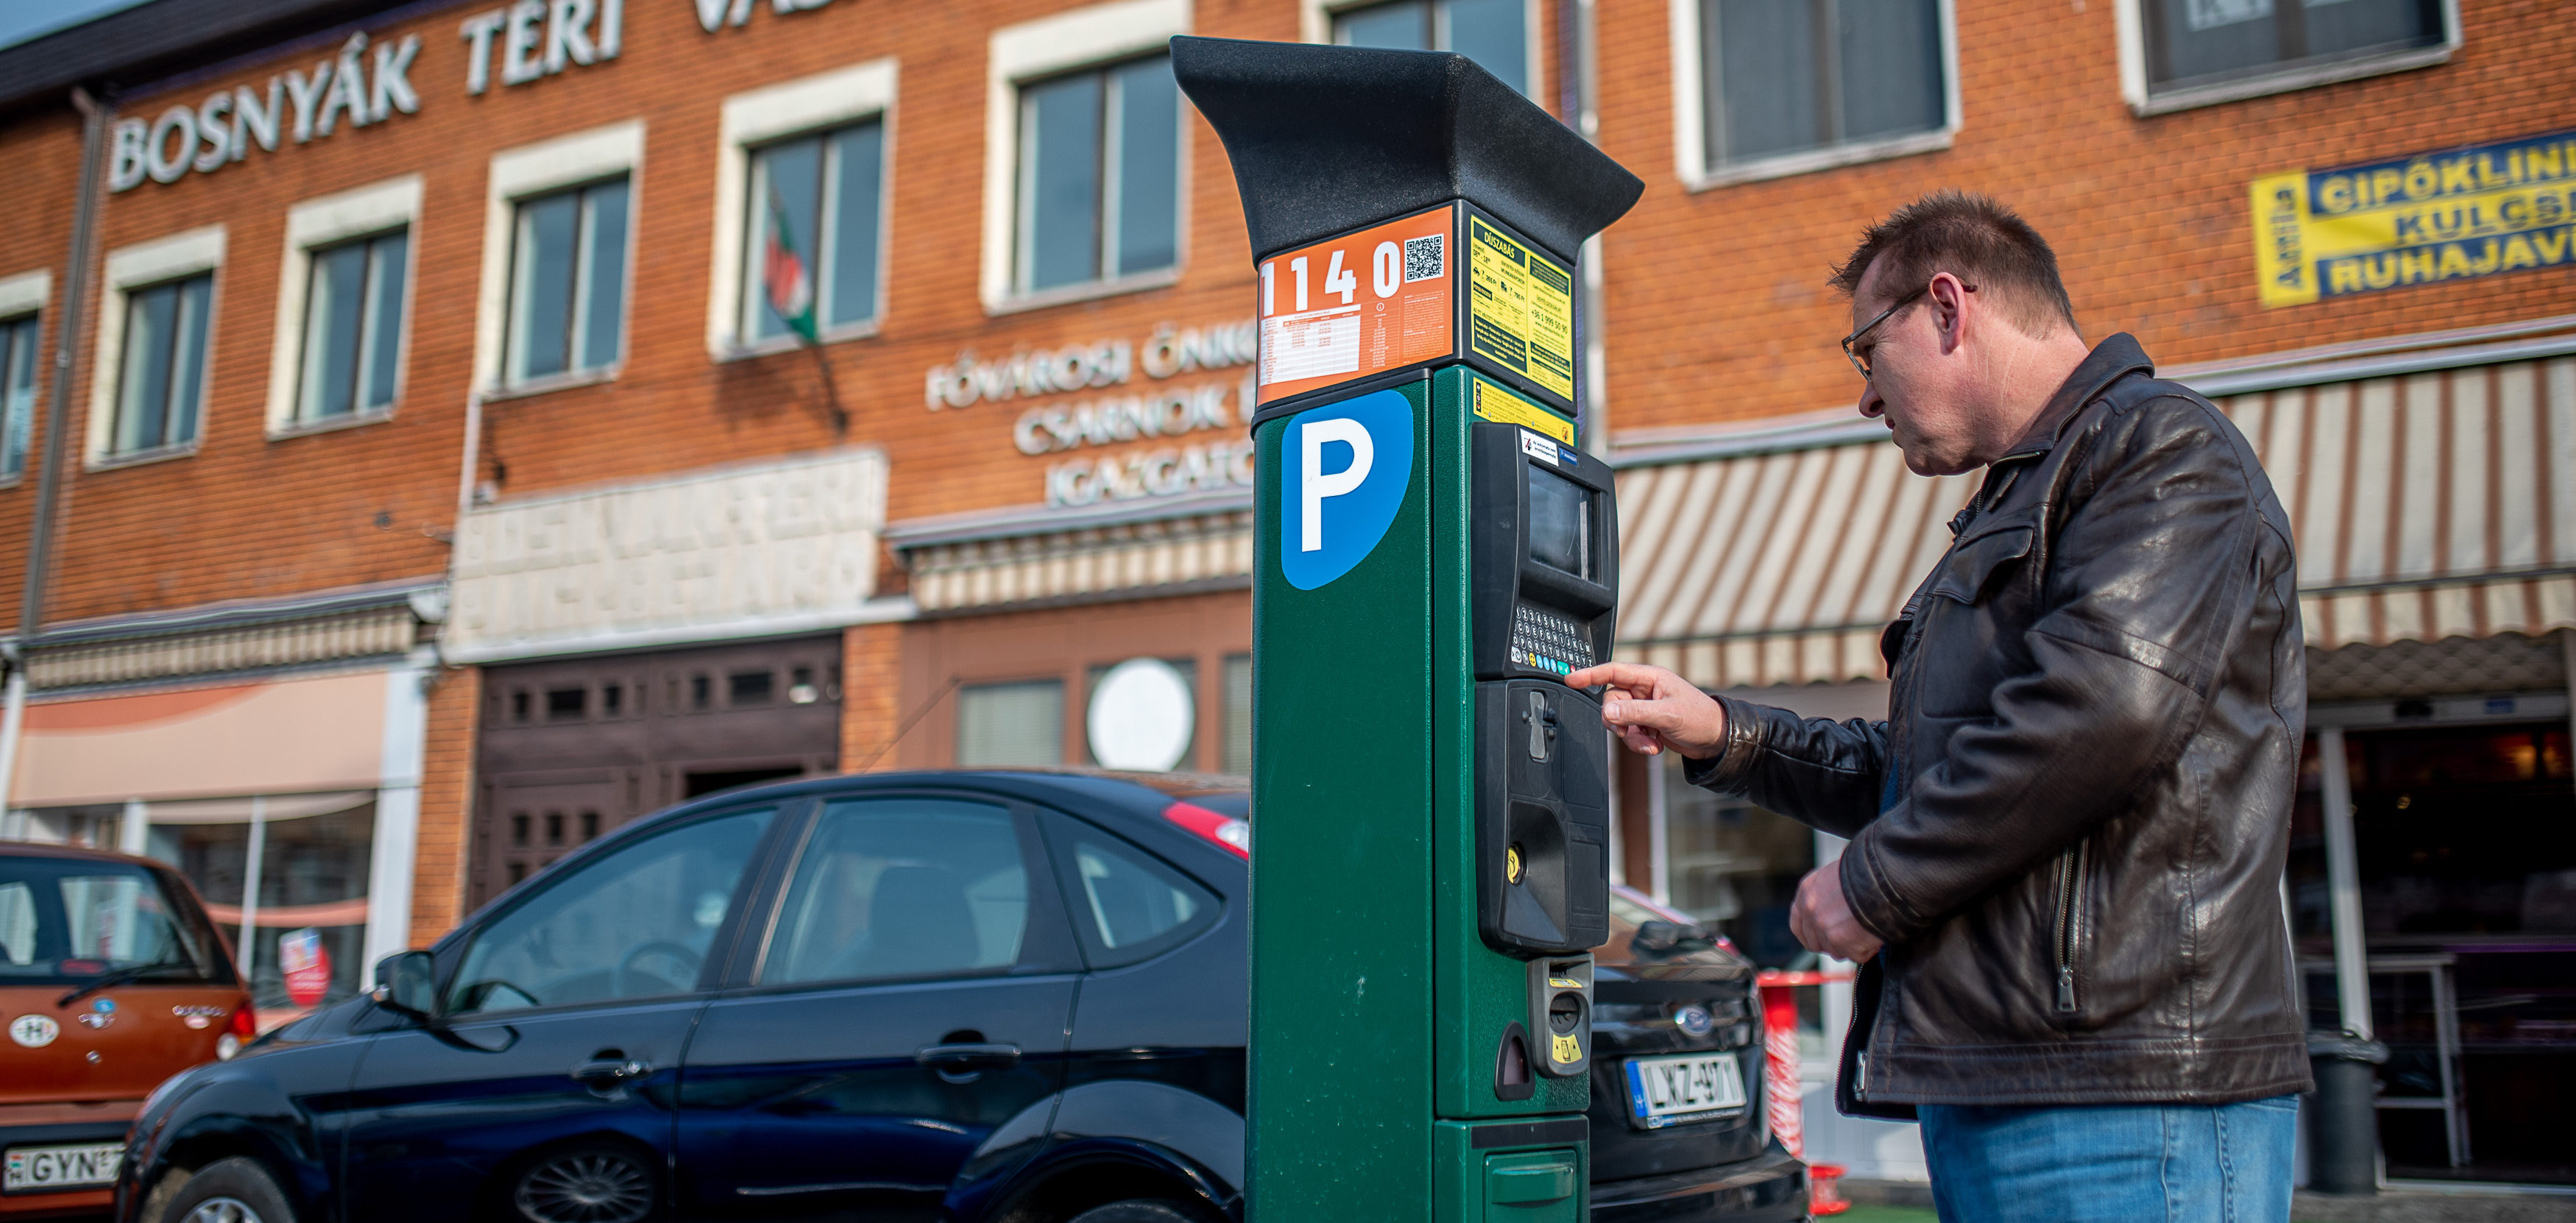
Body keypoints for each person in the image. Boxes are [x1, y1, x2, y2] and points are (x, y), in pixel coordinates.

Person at [1566, 191, 2310, 1223]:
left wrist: (1872, 885)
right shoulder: (2026, 495)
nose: (1866, 398)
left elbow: (2107, 712)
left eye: (1866, 352)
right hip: (2022, 1084)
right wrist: (1728, 733)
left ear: (1949, 307)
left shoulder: (2159, 451)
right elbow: (1942, 767)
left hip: (2132, 1094)